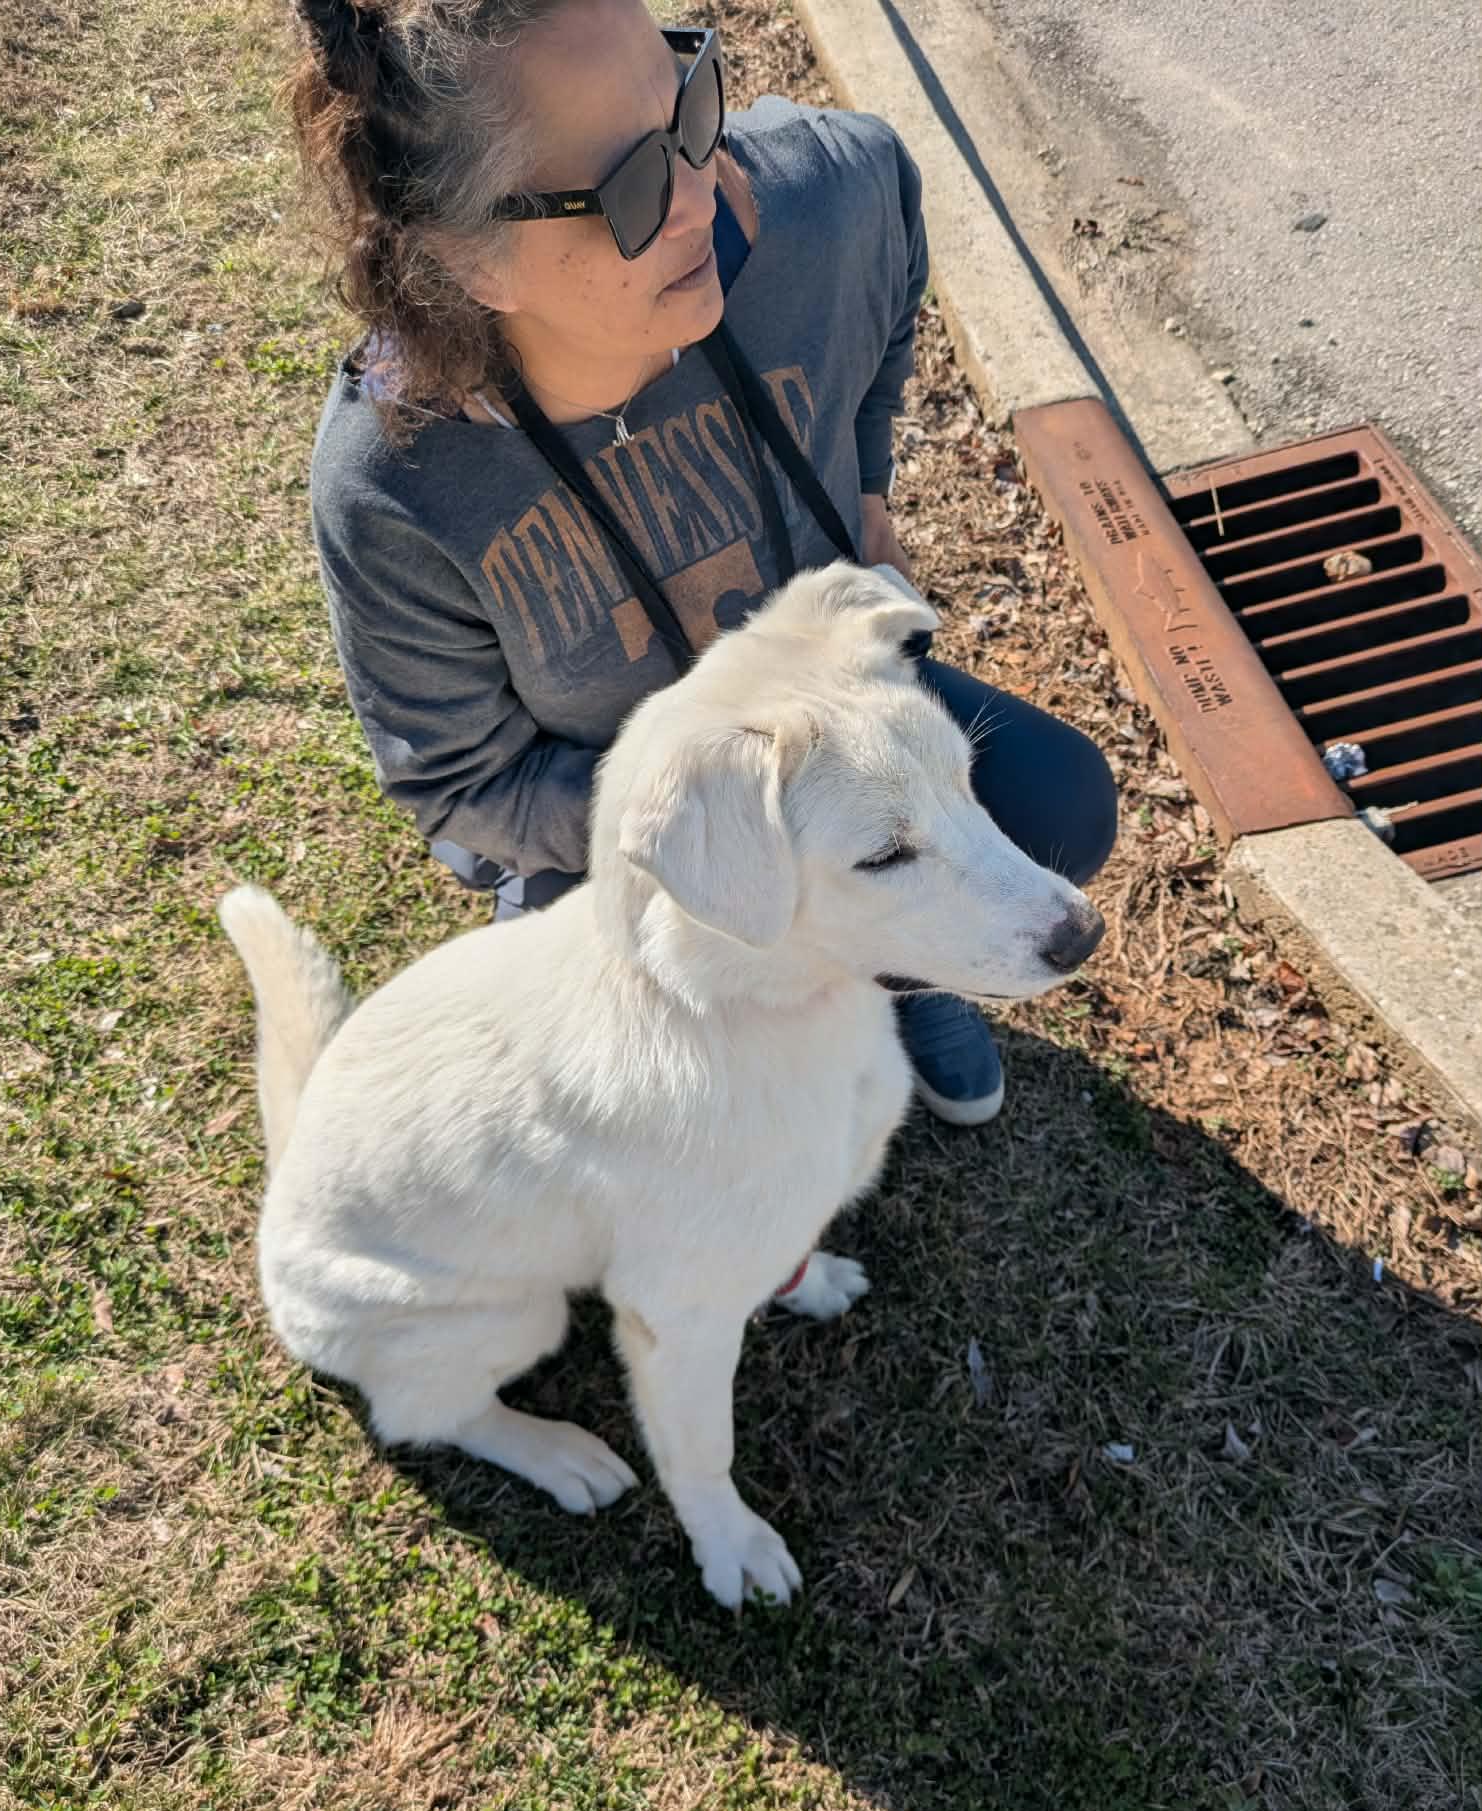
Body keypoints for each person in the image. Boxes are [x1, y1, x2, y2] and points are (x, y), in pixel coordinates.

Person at [290, 0, 1116, 1123]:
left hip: (845, 734)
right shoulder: (397, 485)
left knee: (1056, 803)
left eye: (689, 108)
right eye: (629, 187)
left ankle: (895, 964)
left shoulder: (820, 201)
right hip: (632, 824)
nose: (703, 192)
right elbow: (458, 782)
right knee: (622, 1103)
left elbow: (886, 273)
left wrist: (865, 488)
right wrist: (725, 835)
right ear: (466, 256)